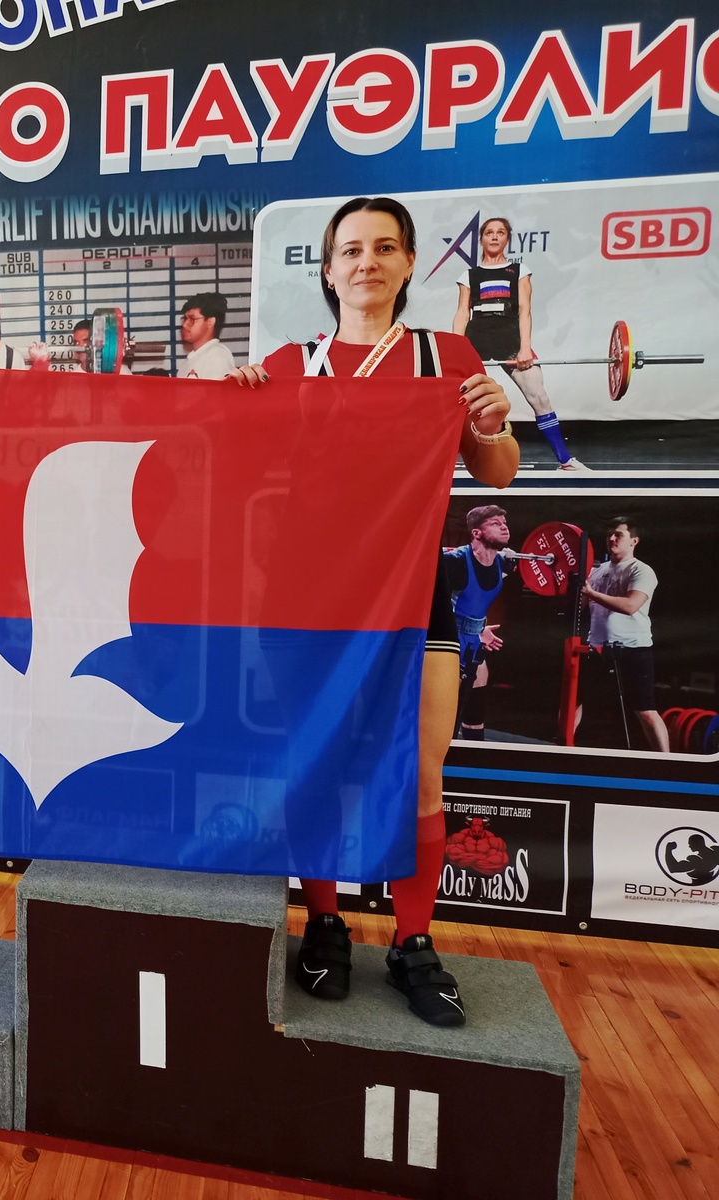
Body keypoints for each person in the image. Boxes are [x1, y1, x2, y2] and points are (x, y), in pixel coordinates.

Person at [232, 196, 518, 1027]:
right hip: (310, 599)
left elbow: (498, 471)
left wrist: (492, 421)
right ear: (328, 271)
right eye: (351, 250)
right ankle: (325, 923)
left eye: (385, 248)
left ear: (408, 263)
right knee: (320, 762)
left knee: (422, 771)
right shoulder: (287, 363)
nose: (367, 262)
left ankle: (413, 943)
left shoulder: (445, 354)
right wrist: (237, 401)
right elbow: (230, 463)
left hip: (412, 591)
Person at [452, 217, 587, 473]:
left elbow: (525, 310)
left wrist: (525, 348)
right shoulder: (468, 275)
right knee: (457, 399)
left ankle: (565, 461)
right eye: (489, 232)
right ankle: (447, 461)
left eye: (500, 232)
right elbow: (461, 313)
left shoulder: (519, 271)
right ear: (481, 239)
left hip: (510, 337)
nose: (494, 236)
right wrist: (456, 348)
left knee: (540, 397)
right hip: (476, 336)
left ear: (507, 239)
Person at [577, 518, 668, 752]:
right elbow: (580, 606)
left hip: (633, 649)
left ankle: (667, 763)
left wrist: (591, 593)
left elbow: (630, 606)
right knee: (573, 701)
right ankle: (562, 748)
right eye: (609, 534)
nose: (612, 539)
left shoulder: (642, 571)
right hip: (597, 648)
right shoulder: (596, 571)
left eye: (618, 535)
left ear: (634, 541)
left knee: (646, 711)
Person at [442, 505, 518, 740]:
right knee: (446, 715)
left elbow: (476, 599)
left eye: (504, 523)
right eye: (495, 523)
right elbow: (435, 607)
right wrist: (469, 628)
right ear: (476, 533)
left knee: (475, 710)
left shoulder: (503, 563)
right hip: (448, 640)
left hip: (473, 640)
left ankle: (474, 756)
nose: (504, 527)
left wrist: (479, 628)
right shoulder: (454, 563)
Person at [177, 293, 236, 379]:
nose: (185, 325)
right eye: (185, 319)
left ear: (210, 322)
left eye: (192, 319)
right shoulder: (187, 362)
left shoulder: (217, 356)